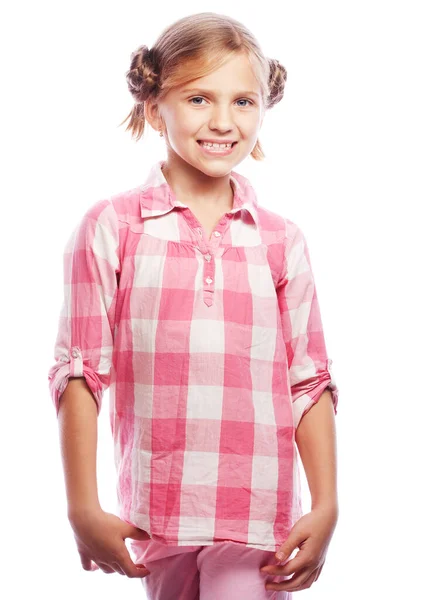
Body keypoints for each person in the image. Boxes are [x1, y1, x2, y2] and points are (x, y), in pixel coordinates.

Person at [48, 11, 339, 600]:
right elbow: (80, 371)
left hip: (257, 516)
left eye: (244, 101)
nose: (224, 122)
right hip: (156, 514)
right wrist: (82, 505)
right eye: (200, 98)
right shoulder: (113, 227)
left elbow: (308, 380)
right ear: (155, 107)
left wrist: (327, 502)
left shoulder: (280, 239)